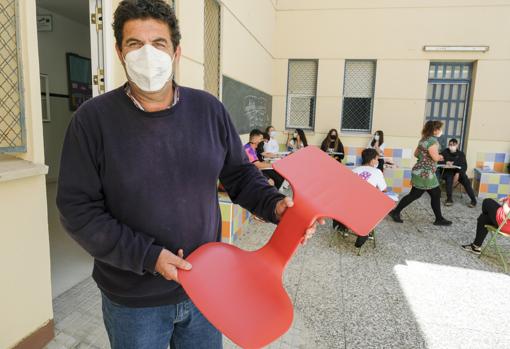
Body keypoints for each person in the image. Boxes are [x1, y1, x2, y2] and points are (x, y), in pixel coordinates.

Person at [56, 2, 321, 348]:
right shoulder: (92, 122)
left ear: (177, 51)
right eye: (135, 44)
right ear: (120, 52)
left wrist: (275, 206)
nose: (147, 54)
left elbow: (240, 175)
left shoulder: (209, 110)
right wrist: (149, 257)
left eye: (159, 43)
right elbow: (78, 210)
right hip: (134, 301)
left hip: (207, 288)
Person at [389, 121, 452, 226]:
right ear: (435, 130)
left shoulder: (423, 140)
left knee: (430, 193)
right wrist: (440, 157)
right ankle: (396, 212)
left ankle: (439, 218)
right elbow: (435, 158)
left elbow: (416, 154)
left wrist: (424, 157)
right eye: (440, 129)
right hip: (426, 173)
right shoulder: (432, 142)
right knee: (419, 194)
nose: (441, 131)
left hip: (420, 170)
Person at [333, 148, 387, 248]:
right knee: (376, 207)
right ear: (372, 160)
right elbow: (383, 189)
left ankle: (342, 223)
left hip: (347, 207)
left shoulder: (354, 170)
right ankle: (364, 231)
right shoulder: (377, 172)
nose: (377, 161)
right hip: (365, 208)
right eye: (376, 159)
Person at [438, 138, 477, 207]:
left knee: (466, 181)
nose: (452, 146)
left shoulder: (461, 154)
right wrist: (446, 162)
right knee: (449, 178)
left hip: (459, 173)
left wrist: (458, 173)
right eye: (450, 144)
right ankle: (449, 199)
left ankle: (473, 200)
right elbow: (437, 159)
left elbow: (464, 166)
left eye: (453, 145)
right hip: (447, 172)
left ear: (457, 145)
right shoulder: (445, 152)